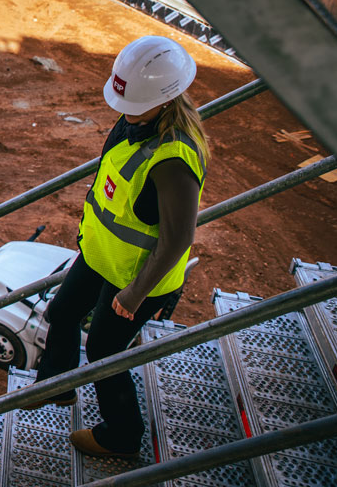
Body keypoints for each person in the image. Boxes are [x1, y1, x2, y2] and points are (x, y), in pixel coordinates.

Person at [24, 35, 209, 459]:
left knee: (104, 351)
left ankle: (122, 435)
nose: (122, 110)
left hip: (138, 277)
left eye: (133, 103)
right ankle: (57, 386)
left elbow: (179, 237)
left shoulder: (173, 159)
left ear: (163, 100)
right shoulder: (138, 118)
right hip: (102, 256)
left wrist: (135, 293)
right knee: (62, 312)